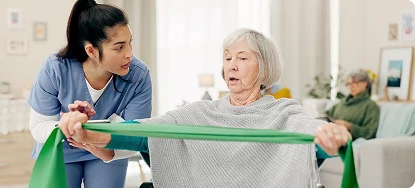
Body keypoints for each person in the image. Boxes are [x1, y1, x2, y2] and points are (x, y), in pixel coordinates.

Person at [60, 28, 351, 187]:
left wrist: (331, 135)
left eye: (243, 58)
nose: (231, 66)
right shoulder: (201, 112)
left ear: (264, 69)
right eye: (227, 58)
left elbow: (311, 135)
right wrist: (88, 131)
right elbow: (144, 131)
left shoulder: (283, 111)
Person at [27, 0, 152, 187]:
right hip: (61, 148)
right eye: (119, 47)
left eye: (129, 43)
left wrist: (104, 149)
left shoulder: (138, 76)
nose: (129, 54)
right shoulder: (55, 68)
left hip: (110, 147)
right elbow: (38, 127)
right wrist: (71, 125)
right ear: (91, 51)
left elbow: (136, 136)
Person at [325, 69, 380, 140]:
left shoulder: (370, 106)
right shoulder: (343, 102)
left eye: (354, 83)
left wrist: (349, 126)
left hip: (345, 140)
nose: (351, 86)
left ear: (365, 83)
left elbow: (369, 132)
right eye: (349, 84)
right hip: (329, 134)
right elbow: (326, 115)